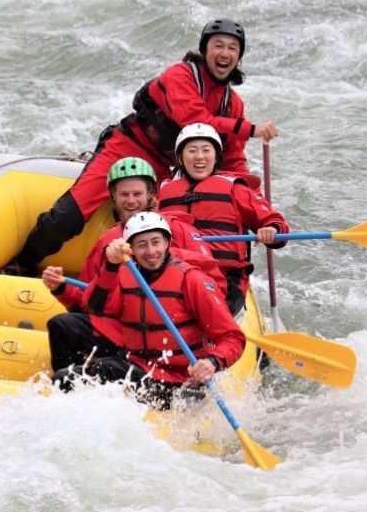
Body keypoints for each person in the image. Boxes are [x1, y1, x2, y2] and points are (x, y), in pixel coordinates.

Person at [1, 18, 277, 277]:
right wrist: (251, 129)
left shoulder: (233, 104)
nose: (225, 53)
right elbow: (194, 121)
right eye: (218, 45)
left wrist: (257, 209)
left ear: (238, 58)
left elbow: (232, 163)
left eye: (232, 48)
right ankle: (23, 263)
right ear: (204, 49)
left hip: (166, 170)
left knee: (153, 235)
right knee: (67, 216)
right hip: (128, 146)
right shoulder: (180, 75)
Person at [42, 157, 227, 373]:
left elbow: (215, 289)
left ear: (150, 195)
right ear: (114, 197)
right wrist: (62, 288)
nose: (131, 201)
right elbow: (90, 301)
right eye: (124, 195)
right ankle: (73, 385)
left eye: (137, 194)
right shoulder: (108, 242)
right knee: (61, 326)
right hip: (126, 331)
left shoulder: (180, 231)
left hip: (173, 335)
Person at [53, 212, 246, 410]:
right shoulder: (124, 274)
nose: (151, 251)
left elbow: (233, 338)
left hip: (181, 382)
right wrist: (110, 265)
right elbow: (96, 307)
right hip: (140, 367)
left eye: (156, 242)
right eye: (142, 245)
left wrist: (212, 362)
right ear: (132, 250)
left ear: (167, 243)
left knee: (105, 368)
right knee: (63, 377)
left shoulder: (193, 280)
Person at [158, 123, 289, 315]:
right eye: (192, 150)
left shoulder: (236, 189)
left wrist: (272, 230)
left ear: (216, 156)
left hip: (226, 277)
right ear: (180, 157)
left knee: (204, 311)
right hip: (175, 272)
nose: (199, 156)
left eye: (206, 150)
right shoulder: (164, 192)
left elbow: (275, 222)